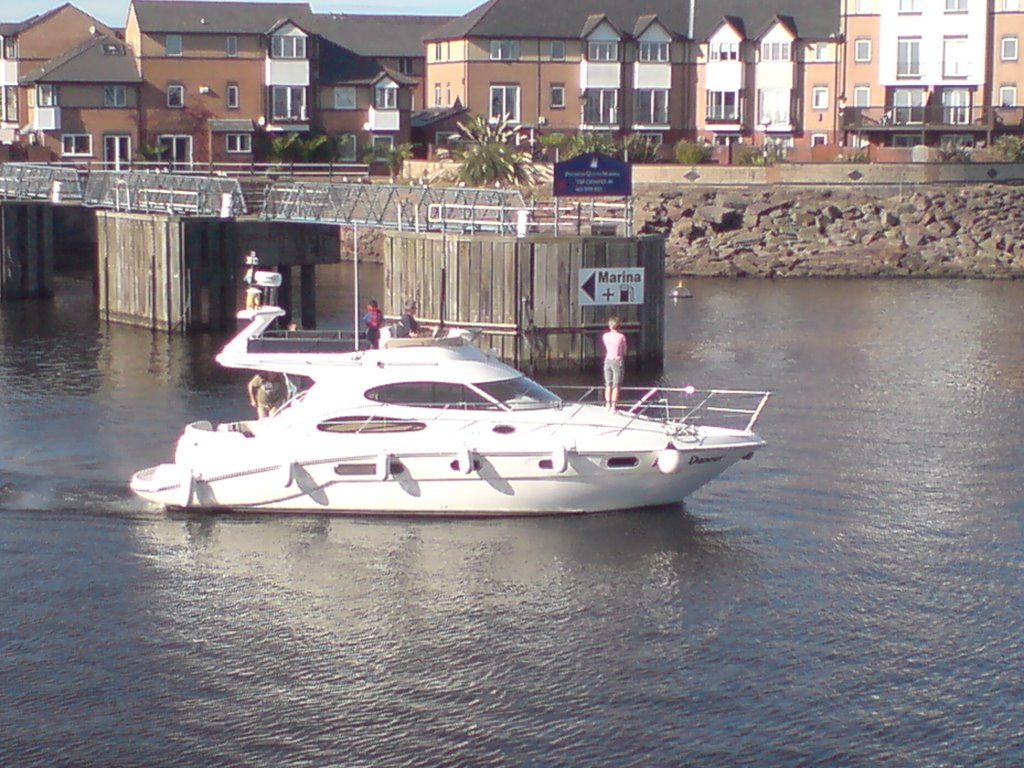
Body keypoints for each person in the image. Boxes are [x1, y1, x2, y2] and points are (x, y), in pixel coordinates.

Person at [602, 316, 627, 411]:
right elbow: (624, 350)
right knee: (616, 385)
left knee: (608, 384)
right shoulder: (621, 337)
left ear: (610, 326)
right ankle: (613, 407)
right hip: (617, 361)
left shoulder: (605, 336)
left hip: (607, 360)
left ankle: (607, 405)